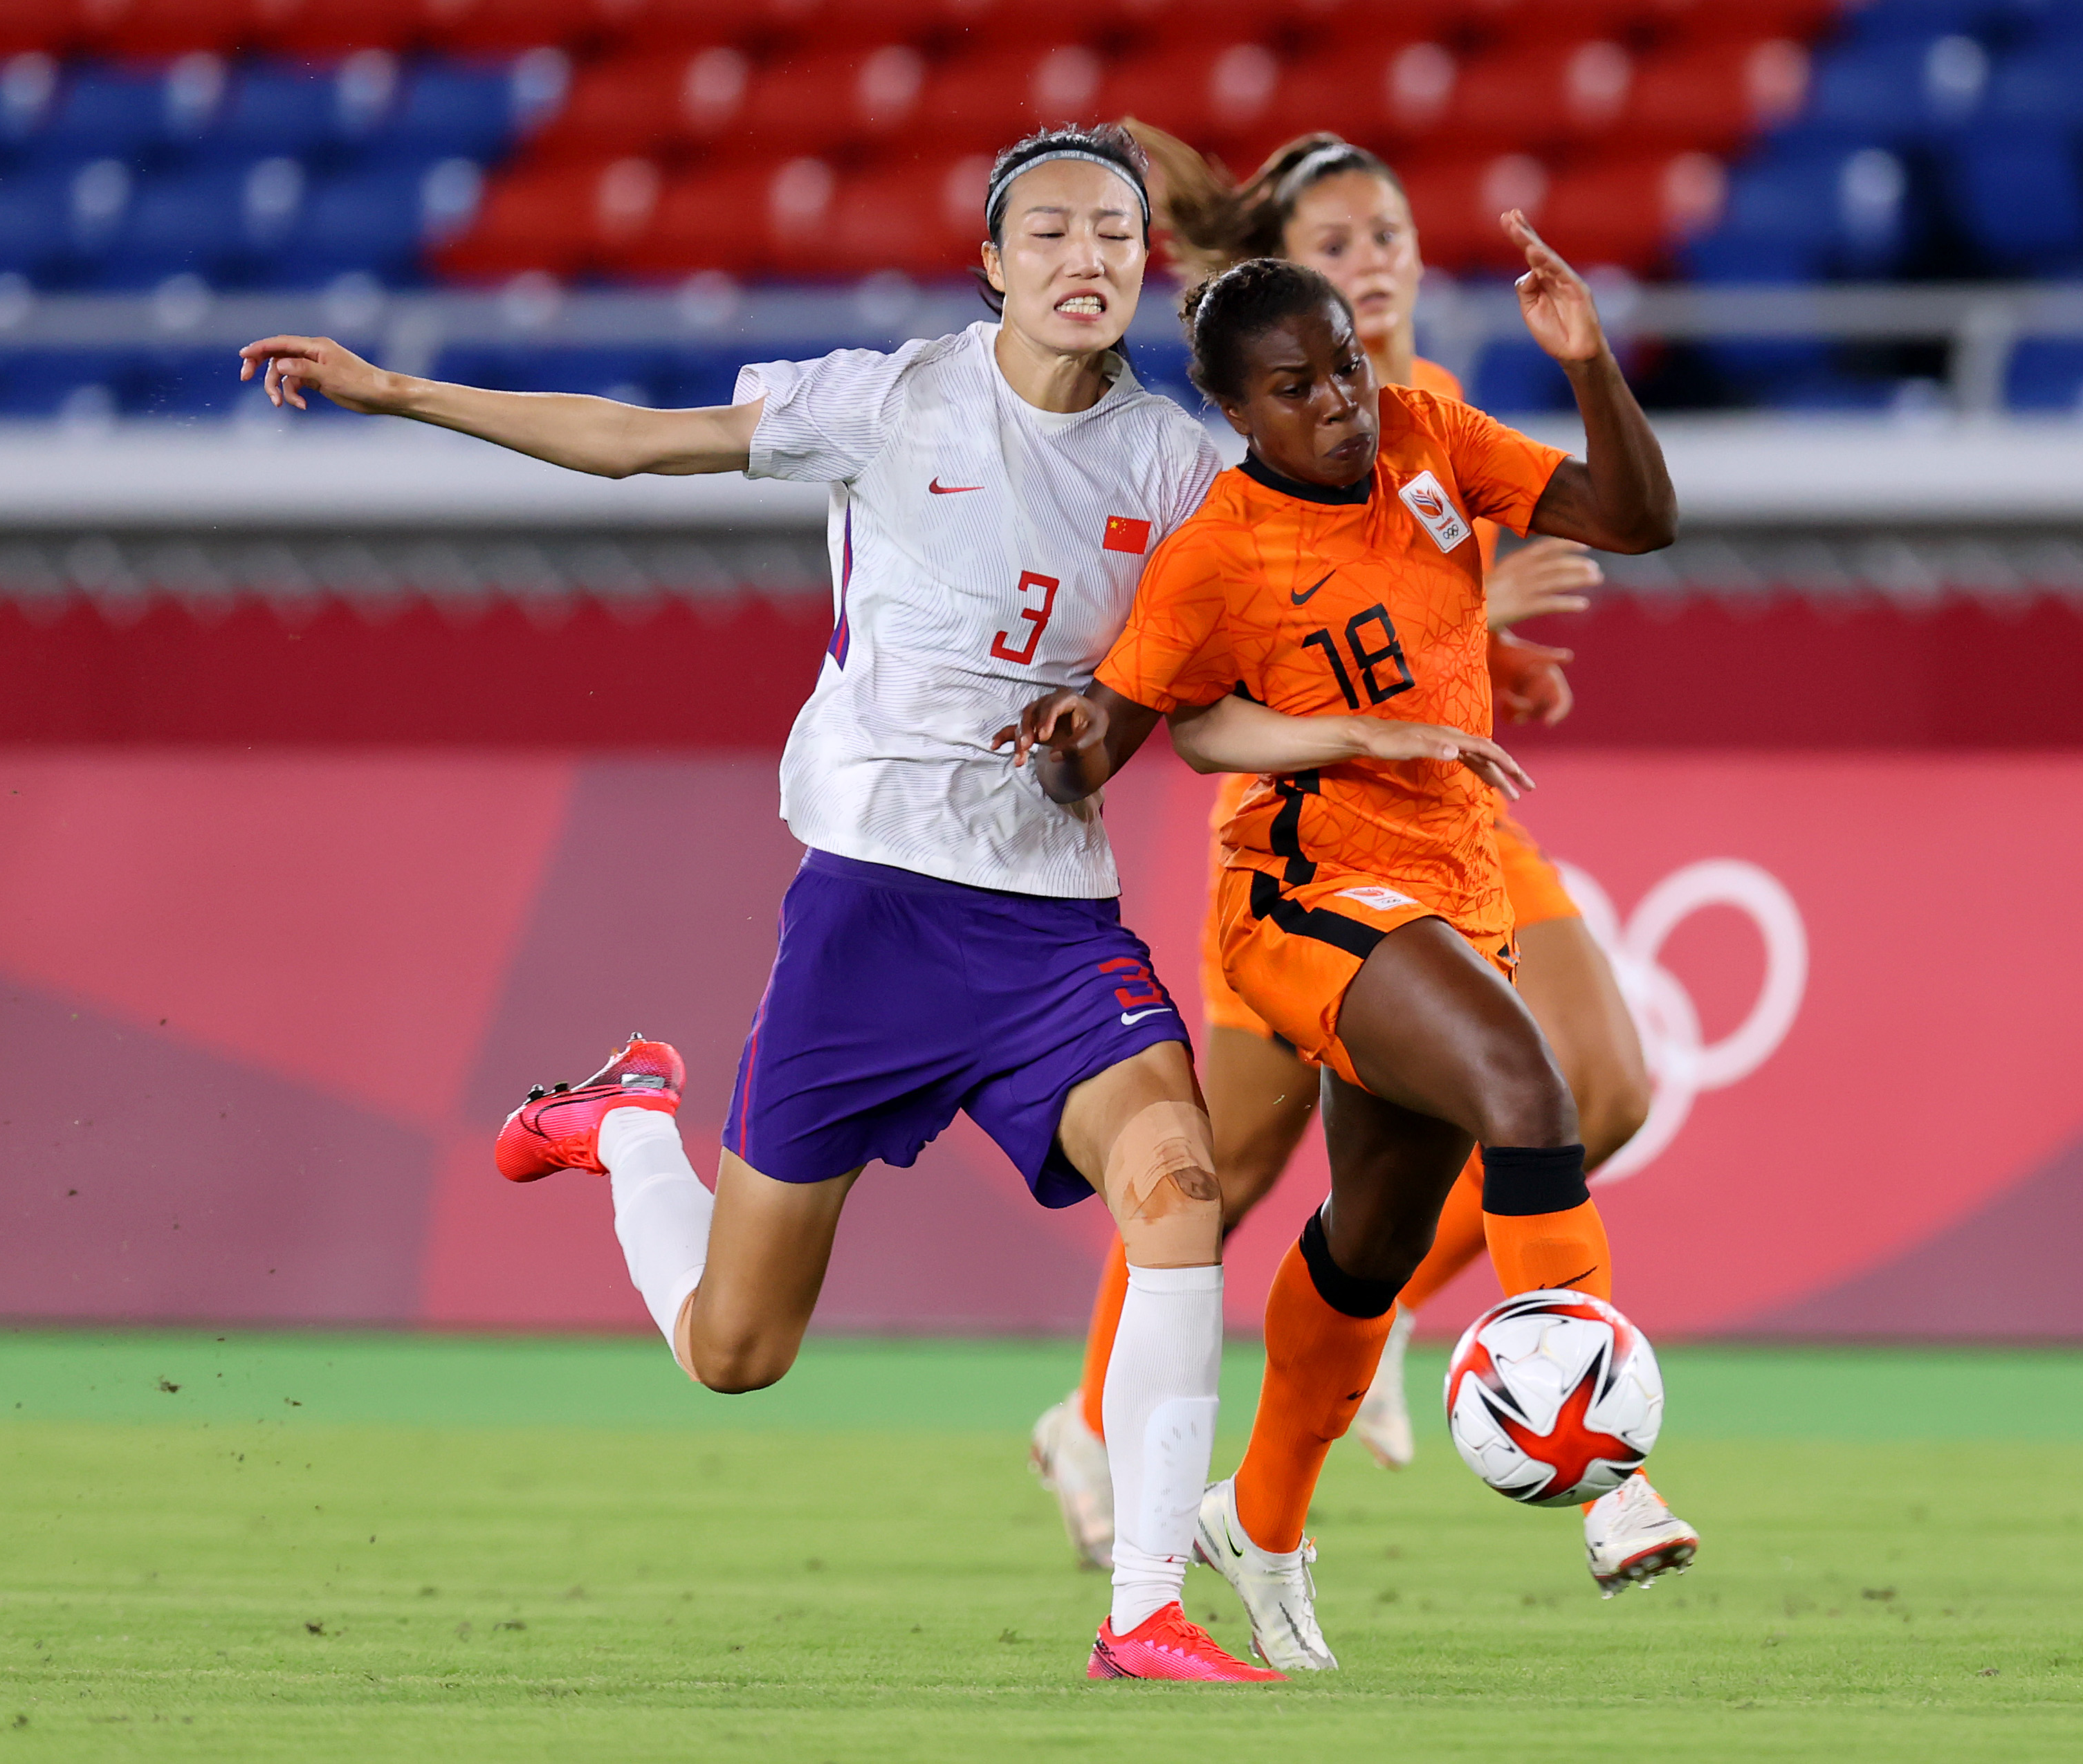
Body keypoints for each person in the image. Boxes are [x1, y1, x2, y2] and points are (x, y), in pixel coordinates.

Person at [232, 125, 1498, 1684]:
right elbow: (638, 442)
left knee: (1176, 1191)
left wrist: (1357, 729)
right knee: (734, 1352)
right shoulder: (886, 399)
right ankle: (630, 1122)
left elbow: (1199, 718)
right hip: (871, 918)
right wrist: (404, 394)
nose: (1083, 259)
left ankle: (1145, 1611)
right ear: (990, 265)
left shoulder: (1183, 470)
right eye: (1045, 234)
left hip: (1050, 927)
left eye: (1110, 233)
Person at [1026, 125, 1693, 1604]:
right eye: (1337, 247)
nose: (1373, 269)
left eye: (1387, 237)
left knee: (1414, 1199)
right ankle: (1600, 1463)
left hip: (1458, 824)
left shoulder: (1425, 417)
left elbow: (1598, 535)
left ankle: (1259, 1518)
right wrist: (1077, 733)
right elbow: (1180, 714)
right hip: (1313, 865)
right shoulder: (1219, 499)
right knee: (1313, 1146)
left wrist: (1583, 380)